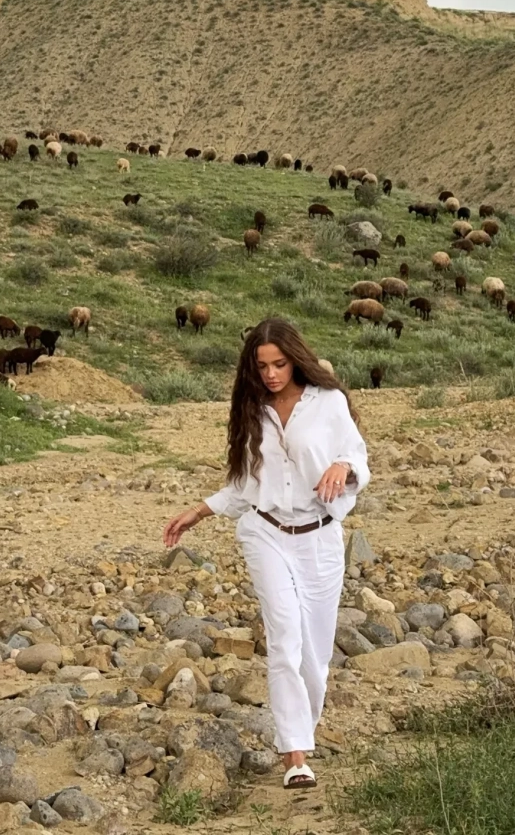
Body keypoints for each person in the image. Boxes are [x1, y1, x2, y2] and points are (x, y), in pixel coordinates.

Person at [163, 318, 370, 790]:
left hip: (319, 537)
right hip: (266, 533)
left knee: (316, 657)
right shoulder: (252, 410)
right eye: (262, 366)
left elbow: (359, 458)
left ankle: (302, 732)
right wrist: (199, 511)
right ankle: (295, 755)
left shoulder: (328, 402)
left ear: (295, 360)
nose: (271, 374)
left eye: (279, 364)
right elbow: (245, 484)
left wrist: (342, 466)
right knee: (284, 637)